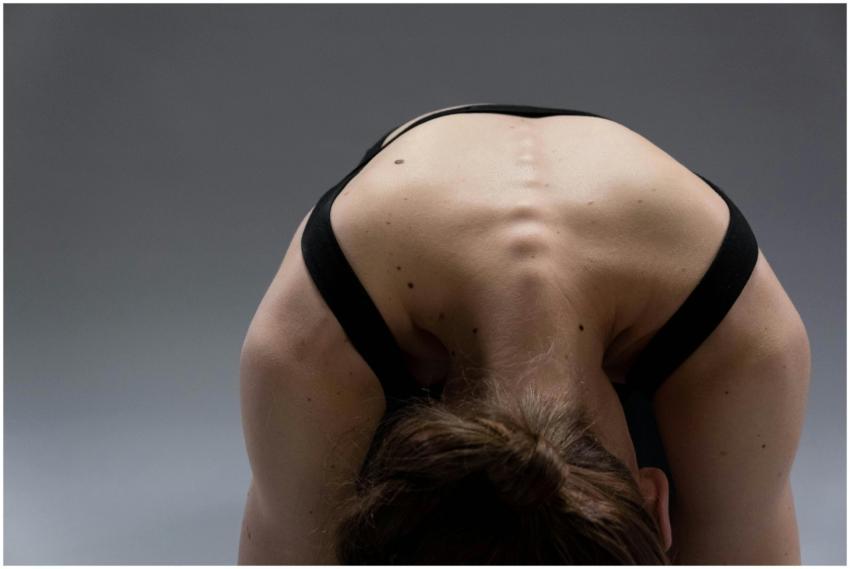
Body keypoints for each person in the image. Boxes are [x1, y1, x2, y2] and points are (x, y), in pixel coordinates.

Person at [237, 103, 811, 564]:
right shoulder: (309, 350)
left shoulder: (744, 345)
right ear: (655, 506)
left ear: (657, 505)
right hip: (407, 223)